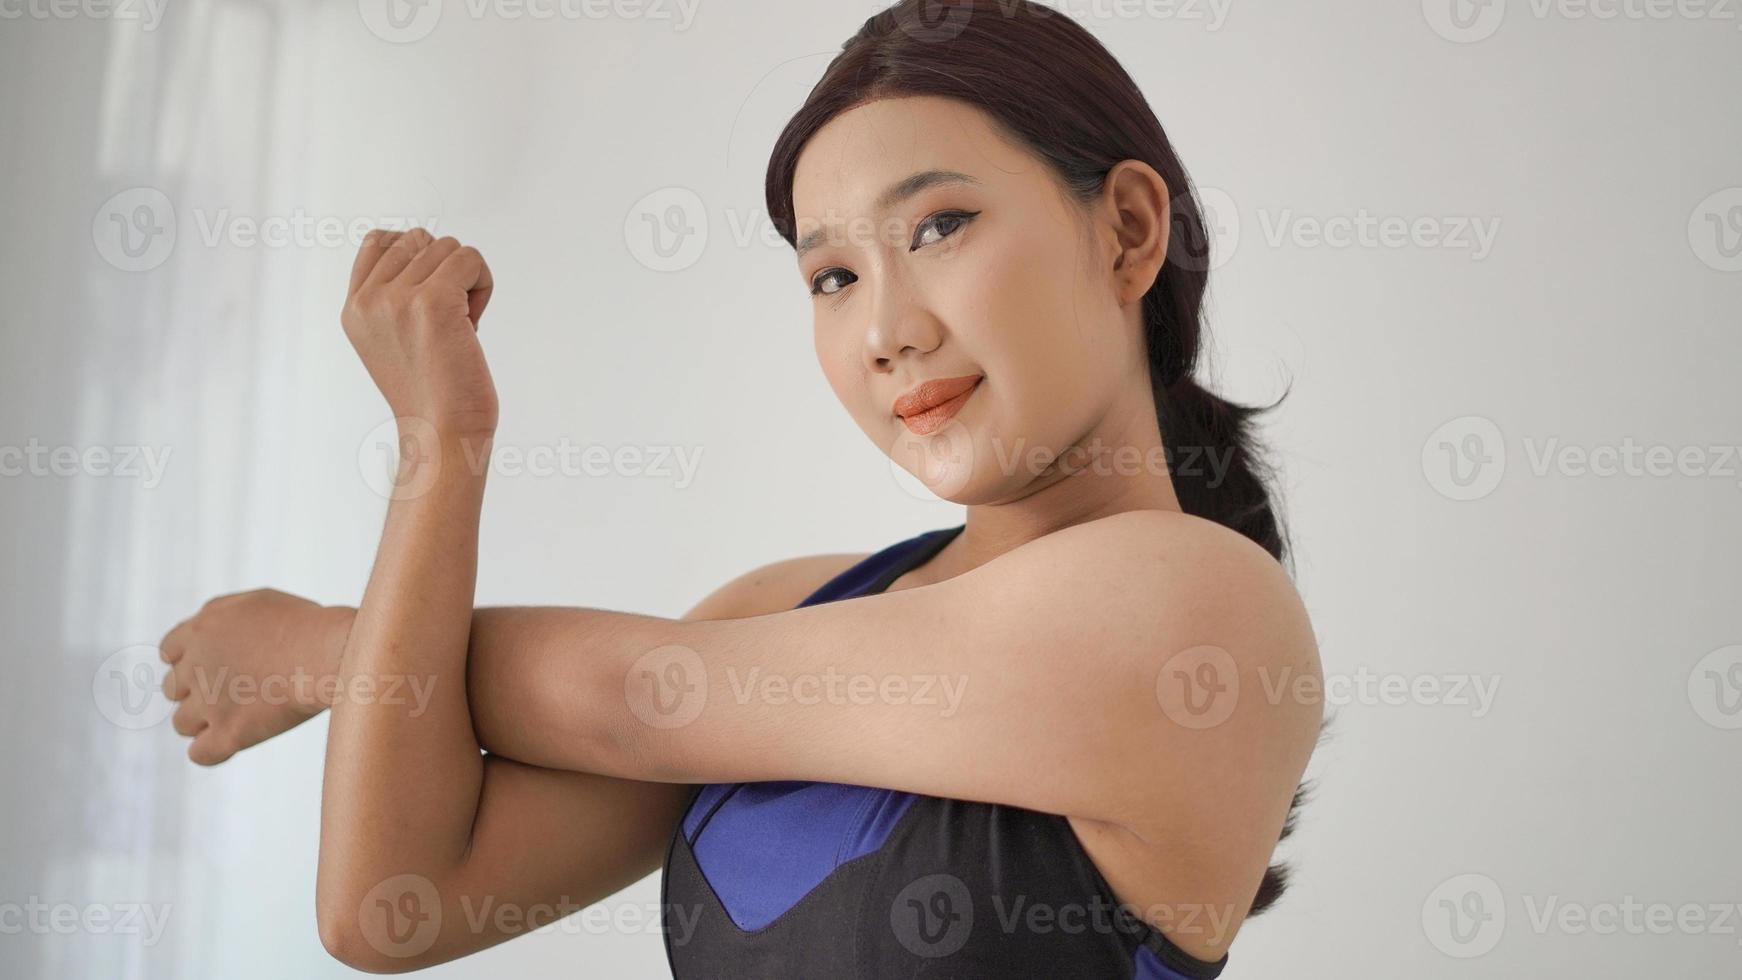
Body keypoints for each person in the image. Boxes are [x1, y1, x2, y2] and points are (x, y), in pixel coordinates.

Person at [159, 2, 1324, 975]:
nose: (883, 328)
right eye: (830, 274)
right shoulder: (788, 606)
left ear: (1126, 231)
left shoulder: (1201, 612)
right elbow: (394, 899)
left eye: (941, 223)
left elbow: (626, 697)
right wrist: (438, 439)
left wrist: (317, 646)